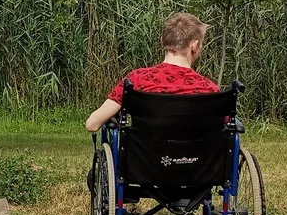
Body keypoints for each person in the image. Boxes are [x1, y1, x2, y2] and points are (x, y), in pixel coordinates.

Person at [85, 12, 219, 133]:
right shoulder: (210, 89)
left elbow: (92, 124)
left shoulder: (136, 79)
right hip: (198, 158)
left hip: (144, 157)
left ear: (162, 40)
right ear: (194, 46)